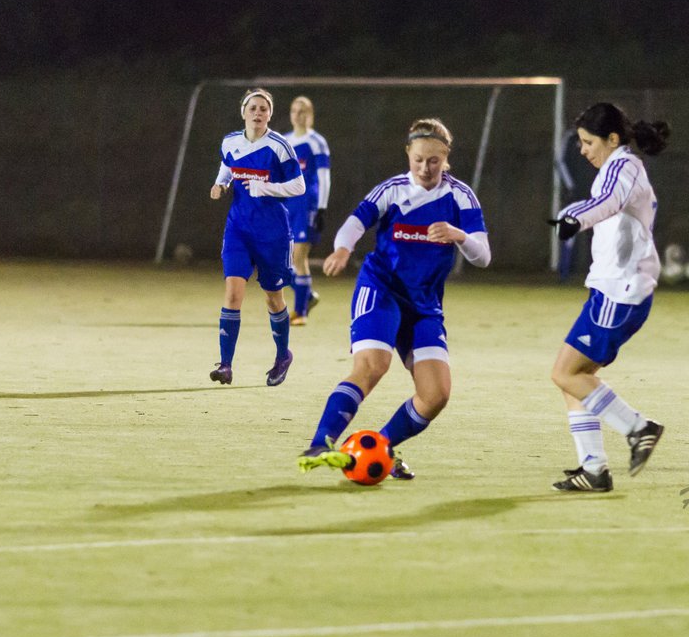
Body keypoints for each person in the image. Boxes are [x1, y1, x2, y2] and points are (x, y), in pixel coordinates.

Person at [297, 118, 490, 480]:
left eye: (434, 160)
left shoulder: (460, 197)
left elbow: (484, 256)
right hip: (381, 289)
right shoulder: (393, 189)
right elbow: (356, 221)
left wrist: (458, 235)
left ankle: (379, 449)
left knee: (436, 396)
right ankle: (321, 442)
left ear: (446, 157)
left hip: (424, 306)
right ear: (408, 154)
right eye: (418, 159)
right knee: (372, 366)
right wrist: (342, 248)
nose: (425, 167)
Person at [546, 103, 669, 492]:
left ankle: (639, 427)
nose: (583, 150)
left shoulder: (622, 166)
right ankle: (594, 468)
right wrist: (574, 214)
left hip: (622, 291)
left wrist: (575, 218)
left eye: (587, 142)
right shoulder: (616, 169)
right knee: (574, 380)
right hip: (611, 289)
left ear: (612, 139)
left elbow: (609, 203)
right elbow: (604, 206)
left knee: (565, 373)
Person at [208, 88, 304, 386]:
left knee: (273, 298)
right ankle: (225, 365)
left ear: (270, 114)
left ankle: (282, 356)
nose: (258, 113)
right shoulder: (230, 141)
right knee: (233, 293)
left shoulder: (280, 146)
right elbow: (227, 167)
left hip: (273, 233)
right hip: (238, 228)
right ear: (243, 111)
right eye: (253, 108)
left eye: (264, 108)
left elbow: (298, 187)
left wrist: (268, 189)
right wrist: (220, 184)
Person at [283, 96, 332, 325]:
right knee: (279, 260)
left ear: (310, 115)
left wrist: (321, 208)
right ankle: (308, 295)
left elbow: (324, 177)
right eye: (295, 110)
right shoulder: (284, 141)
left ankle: (300, 312)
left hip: (307, 205)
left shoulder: (316, 142)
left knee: (298, 256)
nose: (298, 115)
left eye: (303, 111)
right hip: (288, 204)